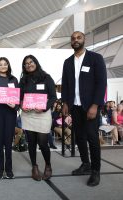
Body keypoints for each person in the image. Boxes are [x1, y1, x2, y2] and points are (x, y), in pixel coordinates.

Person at [61, 31, 107, 186]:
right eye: (73, 38)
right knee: (79, 137)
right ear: (71, 42)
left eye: (78, 37)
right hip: (74, 106)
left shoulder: (95, 58)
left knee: (93, 139)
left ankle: (95, 171)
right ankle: (85, 164)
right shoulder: (67, 62)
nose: (75, 40)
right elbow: (66, 85)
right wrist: (65, 103)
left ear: (84, 40)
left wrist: (95, 105)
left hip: (90, 107)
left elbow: (101, 83)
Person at [19, 55, 57, 181]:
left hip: (43, 114)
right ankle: (34, 167)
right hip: (28, 115)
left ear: (36, 63)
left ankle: (48, 165)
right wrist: (21, 105)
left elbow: (53, 97)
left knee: (42, 142)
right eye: (26, 63)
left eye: (31, 62)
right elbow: (18, 97)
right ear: (24, 66)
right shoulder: (23, 80)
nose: (29, 64)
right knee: (31, 142)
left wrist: (44, 107)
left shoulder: (46, 78)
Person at [0, 57, 18, 179]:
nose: (3, 66)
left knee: (8, 142)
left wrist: (15, 105)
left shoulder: (14, 79)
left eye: (5, 64)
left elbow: (18, 99)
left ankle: (9, 169)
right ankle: (0, 169)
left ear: (8, 65)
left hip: (10, 113)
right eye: (0, 64)